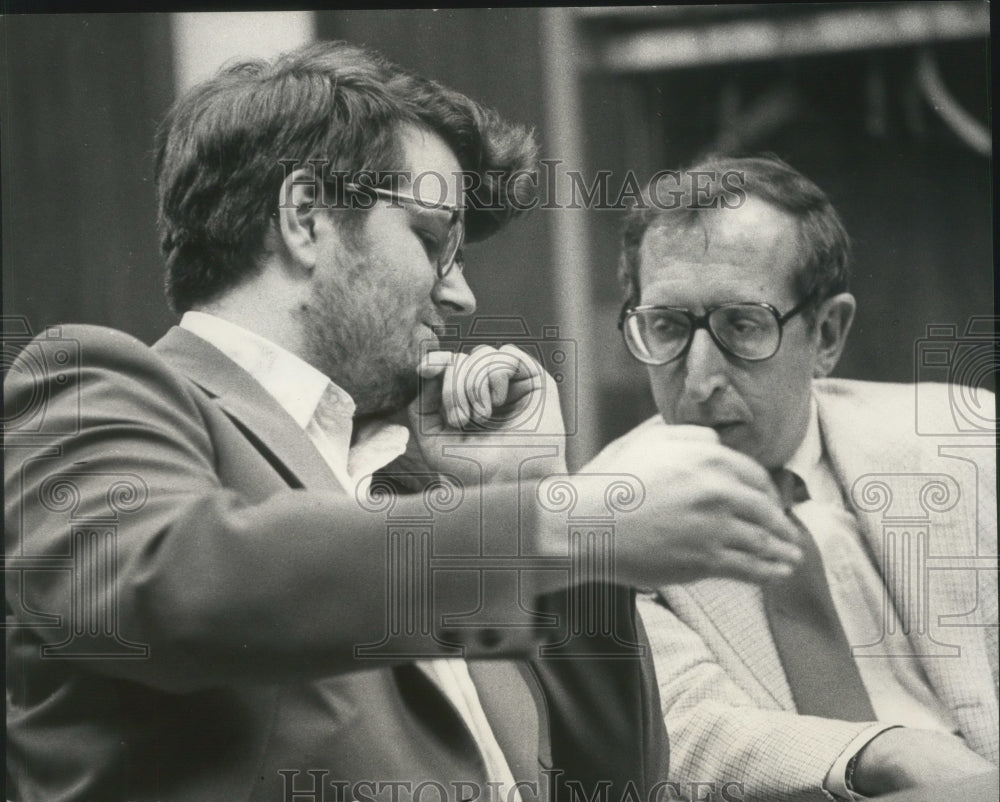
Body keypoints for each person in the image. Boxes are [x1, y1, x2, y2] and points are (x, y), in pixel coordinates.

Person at [3, 44, 805, 802]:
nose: (461, 298)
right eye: (433, 239)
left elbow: (614, 780)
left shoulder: (420, 491)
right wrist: (569, 522)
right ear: (305, 216)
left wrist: (534, 489)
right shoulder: (91, 385)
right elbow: (170, 588)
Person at [587, 154, 998, 801]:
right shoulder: (601, 520)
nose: (698, 380)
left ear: (827, 334)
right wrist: (883, 752)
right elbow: (682, 731)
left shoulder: (972, 444)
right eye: (666, 327)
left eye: (742, 326)